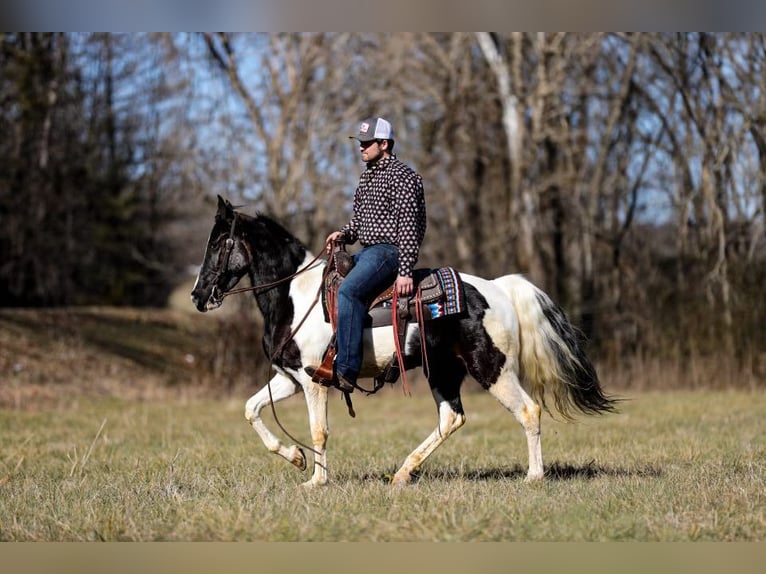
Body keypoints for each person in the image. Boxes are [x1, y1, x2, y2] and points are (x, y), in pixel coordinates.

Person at [310, 117, 427, 393]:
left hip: (389, 251)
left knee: (350, 292)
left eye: (366, 143)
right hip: (368, 251)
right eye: (360, 143)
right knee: (332, 285)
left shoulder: (404, 177)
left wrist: (405, 270)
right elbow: (360, 222)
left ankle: (346, 371)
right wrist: (343, 234)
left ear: (383, 144)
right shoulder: (367, 177)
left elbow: (409, 225)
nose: (361, 148)